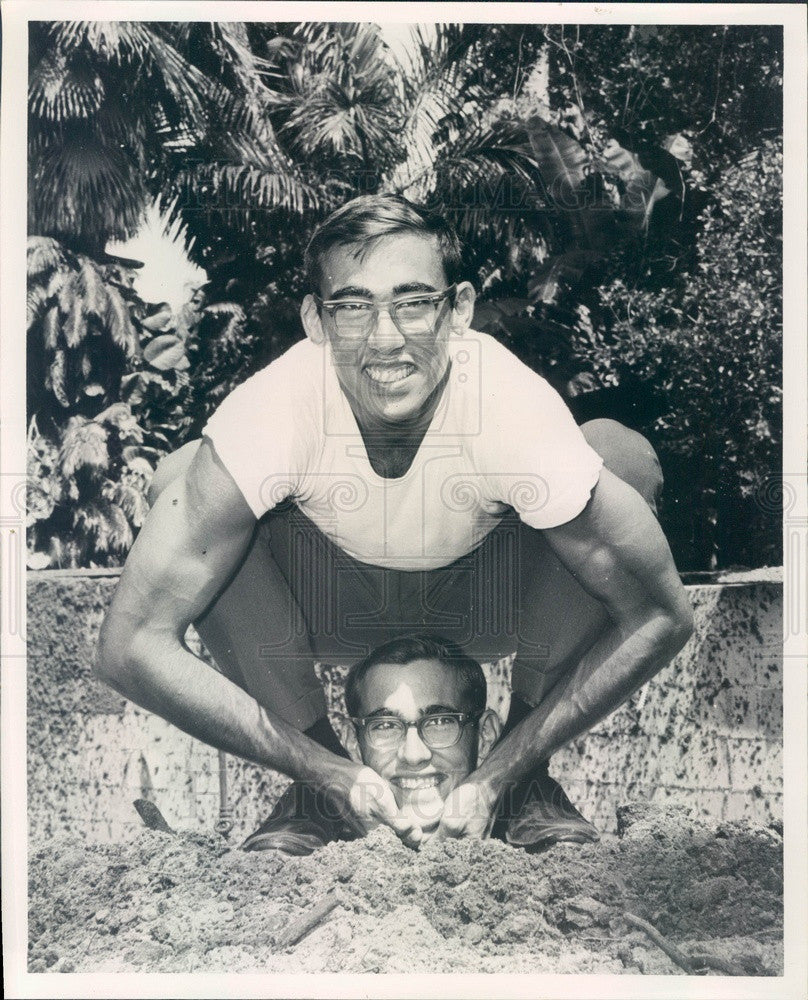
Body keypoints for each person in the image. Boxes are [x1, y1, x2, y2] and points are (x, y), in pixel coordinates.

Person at [95, 194, 693, 854]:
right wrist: (325, 770)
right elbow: (129, 647)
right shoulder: (274, 408)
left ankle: (529, 789)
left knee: (617, 457)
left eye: (412, 302)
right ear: (316, 321)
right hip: (329, 608)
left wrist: (497, 774)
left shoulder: (506, 403)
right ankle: (315, 801)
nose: (386, 338)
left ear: (459, 310)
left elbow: (662, 614)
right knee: (185, 478)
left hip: (488, 602)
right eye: (353, 306)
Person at [242, 635, 503, 854]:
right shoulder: (314, 862)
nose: (413, 755)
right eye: (386, 726)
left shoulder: (532, 866)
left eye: (439, 722)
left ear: (485, 735)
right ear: (352, 742)